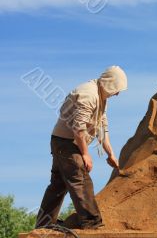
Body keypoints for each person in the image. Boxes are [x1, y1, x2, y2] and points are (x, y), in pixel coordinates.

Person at [36, 66, 128, 229]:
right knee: (81, 178)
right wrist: (85, 154)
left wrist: (111, 154)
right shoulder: (89, 94)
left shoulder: (101, 96)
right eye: (117, 89)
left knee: (58, 184)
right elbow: (78, 129)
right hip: (66, 143)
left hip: (64, 142)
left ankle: (44, 224)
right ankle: (91, 223)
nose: (118, 94)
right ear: (109, 84)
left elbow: (102, 127)